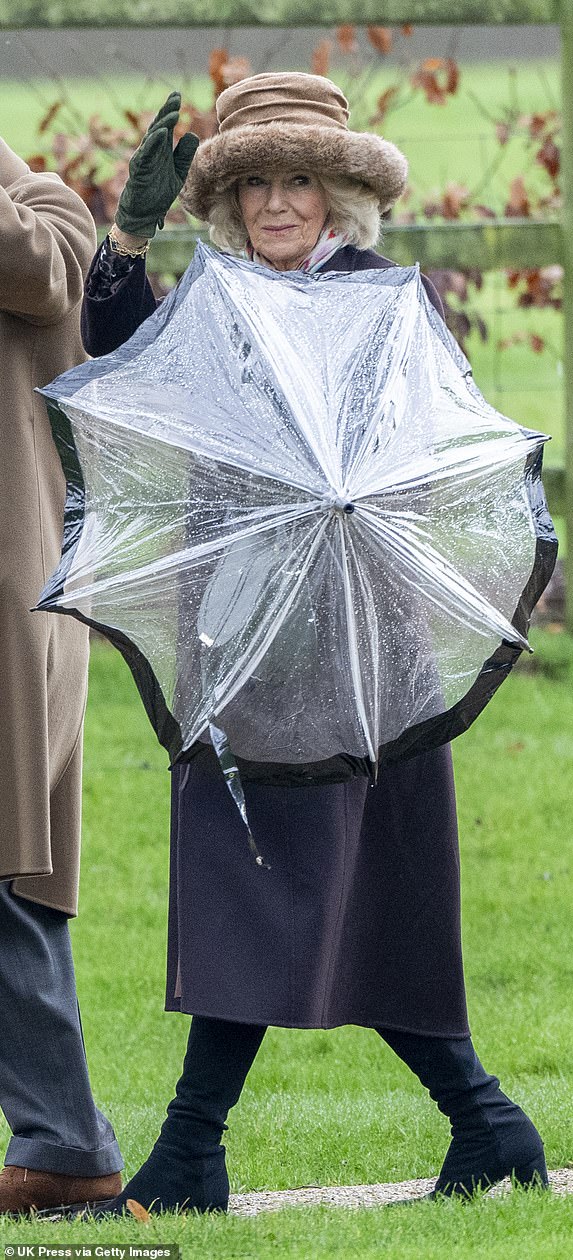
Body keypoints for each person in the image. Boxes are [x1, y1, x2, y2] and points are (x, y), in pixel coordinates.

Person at [80, 76, 548, 1215]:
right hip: (233, 633)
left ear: (338, 193)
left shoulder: (386, 300)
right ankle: (485, 1123)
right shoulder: (210, 299)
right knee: (286, 876)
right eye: (251, 184)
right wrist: (126, 237)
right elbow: (111, 363)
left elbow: (436, 448)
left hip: (353, 641)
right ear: (228, 202)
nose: (276, 203)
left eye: (296, 180)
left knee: (333, 880)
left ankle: (196, 1151)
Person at [0, 138, 124, 1215]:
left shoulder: (47, 215)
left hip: (9, 611)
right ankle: (65, 1144)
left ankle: (67, 1145)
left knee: (8, 875)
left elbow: (42, 268)